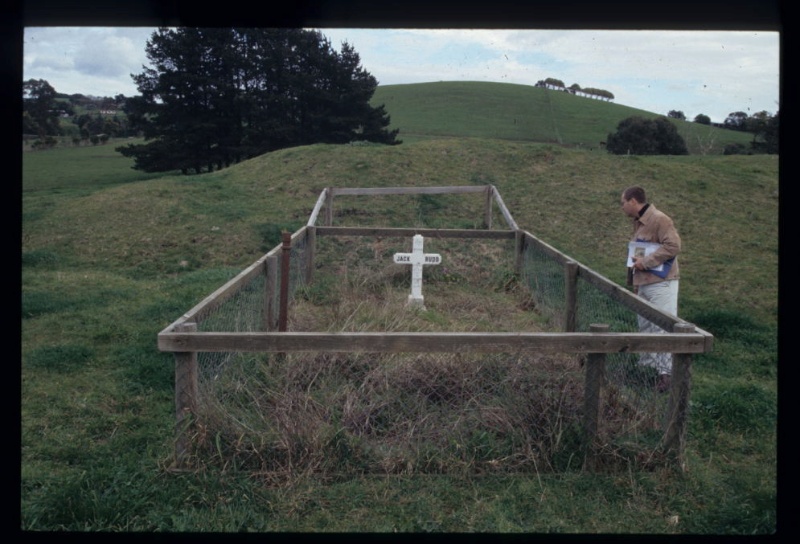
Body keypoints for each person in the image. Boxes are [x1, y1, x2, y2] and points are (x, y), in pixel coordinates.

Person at [620, 186, 681, 393]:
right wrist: (636, 284)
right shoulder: (639, 223)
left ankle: (667, 375)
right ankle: (647, 369)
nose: (622, 207)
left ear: (634, 201)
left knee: (662, 327)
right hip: (645, 283)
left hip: (661, 283)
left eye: (623, 202)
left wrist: (646, 262)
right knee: (645, 325)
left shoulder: (660, 219)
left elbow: (674, 246)